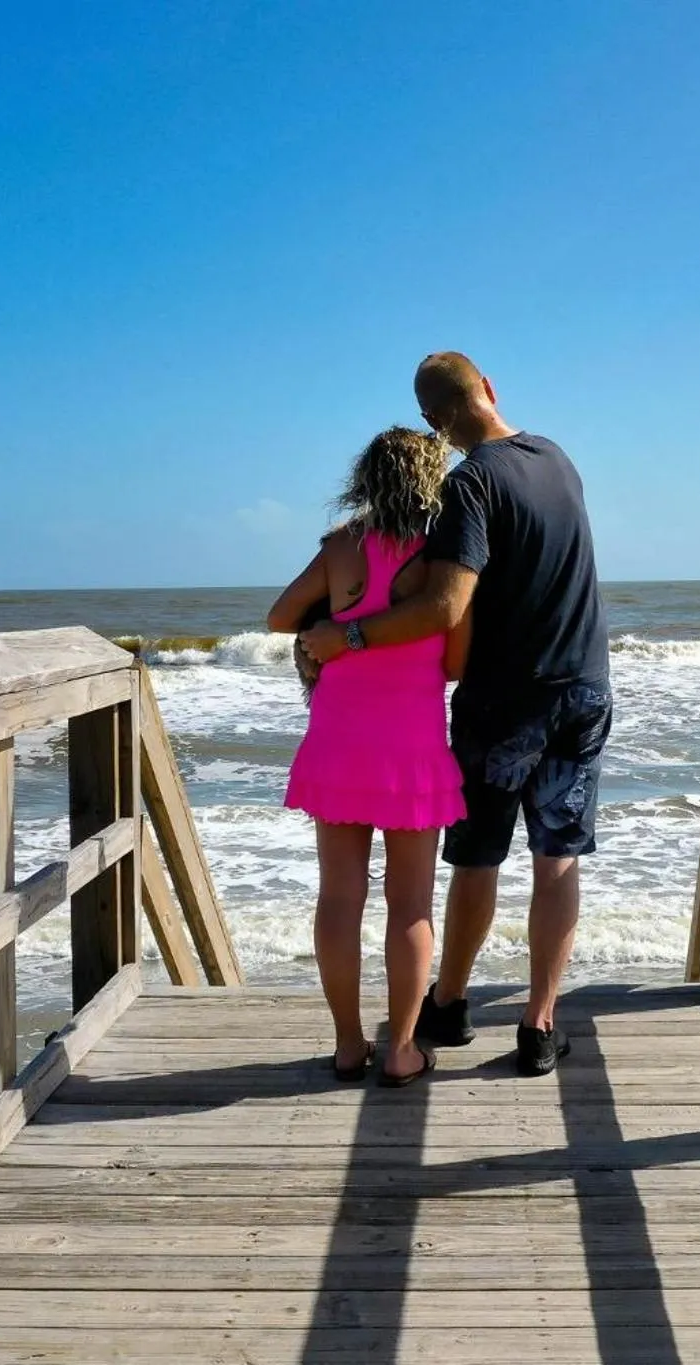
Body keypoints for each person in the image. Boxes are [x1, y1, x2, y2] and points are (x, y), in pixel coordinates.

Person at [303, 353, 610, 1076]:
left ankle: (452, 1001)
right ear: (491, 389)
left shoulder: (469, 484)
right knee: (558, 855)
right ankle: (538, 1024)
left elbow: (444, 606)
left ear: (433, 424)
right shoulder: (558, 458)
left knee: (479, 857)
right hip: (585, 685)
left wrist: (344, 635)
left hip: (506, 699)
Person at [269, 426, 471, 1087]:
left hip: (337, 742)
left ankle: (349, 1044)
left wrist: (329, 628)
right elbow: (457, 659)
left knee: (339, 897)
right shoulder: (448, 559)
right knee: (410, 903)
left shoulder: (339, 546)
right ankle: (402, 1049)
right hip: (409, 747)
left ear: (366, 477)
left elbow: (278, 615)